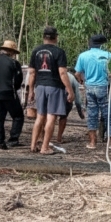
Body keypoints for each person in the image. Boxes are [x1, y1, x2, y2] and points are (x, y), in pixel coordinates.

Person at [27, 26, 74, 155]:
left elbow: (32, 73)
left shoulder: (36, 51)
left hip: (40, 86)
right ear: (56, 37)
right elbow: (63, 73)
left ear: (44, 37)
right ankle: (45, 147)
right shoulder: (59, 52)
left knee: (40, 117)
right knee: (51, 117)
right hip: (54, 86)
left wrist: (31, 91)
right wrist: (70, 90)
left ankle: (33, 145)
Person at [75, 34, 111, 149]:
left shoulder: (83, 56)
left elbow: (77, 73)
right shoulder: (109, 55)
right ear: (102, 45)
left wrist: (82, 81)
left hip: (89, 87)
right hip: (103, 87)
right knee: (109, 114)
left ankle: (92, 142)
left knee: (92, 114)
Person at [0, 41, 24, 149]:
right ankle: (13, 139)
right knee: (18, 116)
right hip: (10, 94)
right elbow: (18, 79)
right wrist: (14, 88)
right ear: (11, 51)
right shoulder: (14, 63)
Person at [56, 68, 84, 144]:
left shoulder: (54, 73)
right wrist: (80, 112)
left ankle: (45, 136)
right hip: (66, 100)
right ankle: (59, 137)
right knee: (63, 117)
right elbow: (77, 97)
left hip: (54, 97)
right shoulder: (71, 78)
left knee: (50, 116)